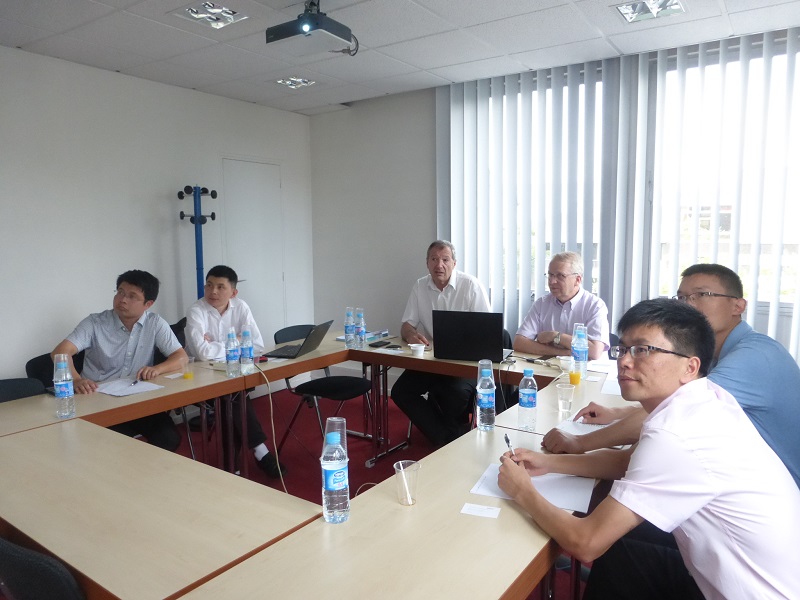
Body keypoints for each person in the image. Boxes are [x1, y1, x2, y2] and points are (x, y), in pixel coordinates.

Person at [498, 298, 800, 599]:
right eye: (623, 349)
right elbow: (627, 462)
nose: (625, 361)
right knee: (623, 551)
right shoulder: (705, 398)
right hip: (751, 574)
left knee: (611, 542)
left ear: (690, 366)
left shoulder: (676, 434)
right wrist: (549, 463)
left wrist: (523, 491)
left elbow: (587, 542)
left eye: (643, 350)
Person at [542, 263, 800, 488]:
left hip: (779, 492)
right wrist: (618, 413)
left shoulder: (753, 356)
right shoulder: (716, 354)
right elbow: (675, 406)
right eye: (682, 297)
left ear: (738, 305)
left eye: (702, 295)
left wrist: (580, 443)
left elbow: (676, 411)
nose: (688, 304)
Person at [52, 269, 187, 451]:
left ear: (148, 304)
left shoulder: (154, 323)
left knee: (168, 437)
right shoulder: (95, 323)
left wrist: (157, 369)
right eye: (120, 292)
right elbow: (60, 352)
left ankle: (144, 470)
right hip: (97, 401)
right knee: (108, 446)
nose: (122, 300)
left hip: (137, 400)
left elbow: (181, 357)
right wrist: (76, 380)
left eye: (132, 296)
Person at [185, 265, 286, 478]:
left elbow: (257, 345)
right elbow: (203, 354)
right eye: (209, 285)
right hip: (203, 377)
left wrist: (217, 344)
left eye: (220, 287)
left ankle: (231, 465)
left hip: (236, 373)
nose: (213, 291)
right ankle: (260, 451)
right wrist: (237, 340)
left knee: (231, 397)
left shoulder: (241, 307)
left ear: (233, 292)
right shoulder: (196, 310)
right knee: (233, 397)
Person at [391, 240, 490, 446]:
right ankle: (447, 438)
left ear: (454, 263)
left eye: (445, 259)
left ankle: (448, 434)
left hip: (467, 363)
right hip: (434, 360)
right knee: (401, 391)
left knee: (453, 393)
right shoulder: (420, 286)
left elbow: (487, 331)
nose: (439, 265)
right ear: (427, 263)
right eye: (434, 259)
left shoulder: (471, 286)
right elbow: (406, 325)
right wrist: (411, 335)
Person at [513, 252, 609, 359]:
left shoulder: (595, 306)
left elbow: (594, 352)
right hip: (550, 367)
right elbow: (519, 343)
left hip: (586, 368)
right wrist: (562, 352)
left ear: (577, 280)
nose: (552, 281)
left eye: (560, 276)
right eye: (550, 275)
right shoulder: (542, 304)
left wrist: (555, 336)